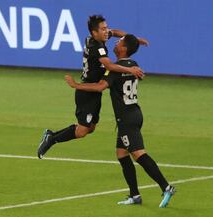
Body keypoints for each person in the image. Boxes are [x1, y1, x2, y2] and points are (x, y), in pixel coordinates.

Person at [64, 34, 175, 208]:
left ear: (123, 48)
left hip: (126, 119)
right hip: (135, 113)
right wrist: (135, 40)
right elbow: (121, 46)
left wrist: (76, 85)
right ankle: (135, 195)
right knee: (121, 154)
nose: (115, 43)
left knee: (138, 154)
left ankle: (166, 187)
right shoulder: (133, 64)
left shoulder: (116, 69)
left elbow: (100, 86)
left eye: (119, 42)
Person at [37, 15, 149, 159]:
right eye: (103, 29)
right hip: (87, 90)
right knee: (83, 130)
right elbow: (109, 65)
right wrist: (131, 70)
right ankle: (51, 138)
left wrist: (134, 40)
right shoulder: (96, 47)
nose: (106, 31)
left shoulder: (96, 37)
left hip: (95, 90)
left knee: (90, 128)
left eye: (105, 28)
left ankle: (51, 136)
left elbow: (114, 32)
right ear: (94, 32)